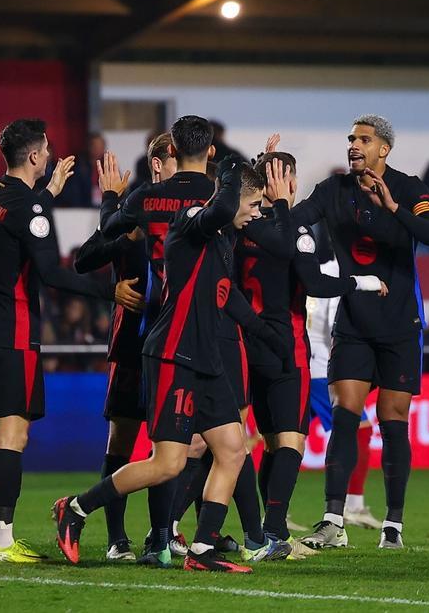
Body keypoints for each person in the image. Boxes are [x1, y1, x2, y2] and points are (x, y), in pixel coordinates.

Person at [54, 157, 274, 573]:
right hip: (175, 353)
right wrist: (227, 169)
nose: (258, 214)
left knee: (232, 449)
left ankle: (203, 550)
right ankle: (77, 508)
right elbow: (95, 247)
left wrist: (266, 335)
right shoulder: (190, 218)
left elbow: (227, 295)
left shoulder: (221, 236)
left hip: (204, 358)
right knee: (167, 463)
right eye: (255, 204)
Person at [0, 118, 142, 564]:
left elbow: (15, 219)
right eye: (46, 150)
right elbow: (52, 273)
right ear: (38, 157)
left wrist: (47, 194)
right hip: (13, 328)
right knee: (13, 431)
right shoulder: (34, 210)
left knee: (0, 422)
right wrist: (109, 291)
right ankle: (3, 540)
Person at [292, 114, 429, 551]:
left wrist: (393, 208)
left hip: (401, 324)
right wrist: (277, 207)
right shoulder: (334, 190)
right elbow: (298, 220)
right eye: (351, 138)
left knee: (393, 420)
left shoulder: (409, 188)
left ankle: (393, 525)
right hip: (355, 324)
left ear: (384, 148)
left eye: (364, 139)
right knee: (345, 416)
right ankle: (332, 520)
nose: (354, 145)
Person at [239, 151, 388, 556]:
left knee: (243, 444)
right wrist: (363, 282)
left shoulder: (239, 225)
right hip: (286, 347)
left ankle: (200, 532)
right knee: (289, 443)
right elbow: (315, 283)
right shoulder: (294, 228)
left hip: (240, 345)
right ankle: (273, 533)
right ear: (288, 180)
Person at [71, 131, 174, 562]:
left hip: (174, 340)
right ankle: (117, 539)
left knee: (169, 442)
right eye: (176, 160)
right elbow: (86, 256)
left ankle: (161, 536)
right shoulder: (138, 206)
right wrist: (113, 287)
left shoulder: (195, 209)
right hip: (132, 342)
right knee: (124, 439)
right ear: (157, 165)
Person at [305, 248, 383, 531]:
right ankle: (352, 504)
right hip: (324, 368)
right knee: (359, 431)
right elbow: (332, 325)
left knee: (286, 439)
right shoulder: (342, 270)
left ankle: (276, 513)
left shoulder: (321, 269)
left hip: (308, 364)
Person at [60, 132, 108, 208]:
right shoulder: (79, 165)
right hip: (82, 208)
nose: (98, 150)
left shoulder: (109, 166)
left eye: (100, 147)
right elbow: (73, 191)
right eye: (95, 147)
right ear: (89, 147)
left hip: (103, 206)